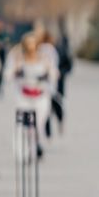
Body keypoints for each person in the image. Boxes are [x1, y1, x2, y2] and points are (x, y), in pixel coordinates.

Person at [9, 29, 58, 159]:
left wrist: (48, 75)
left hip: (40, 96)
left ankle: (37, 144)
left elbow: (54, 74)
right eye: (28, 43)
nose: (31, 46)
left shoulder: (44, 59)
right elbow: (8, 76)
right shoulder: (19, 58)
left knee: (38, 125)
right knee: (28, 126)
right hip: (24, 96)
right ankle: (30, 149)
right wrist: (16, 70)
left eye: (33, 43)